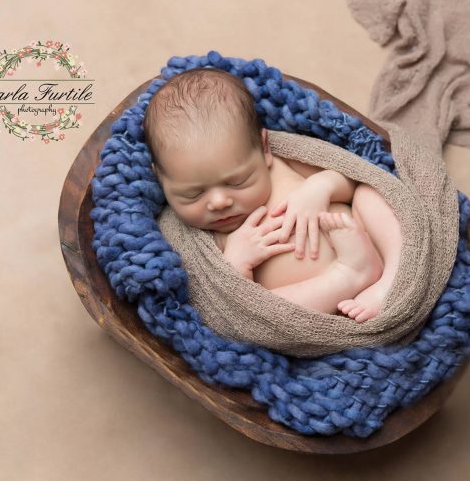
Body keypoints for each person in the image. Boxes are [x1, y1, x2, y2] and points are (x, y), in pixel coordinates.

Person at [144, 68, 402, 323]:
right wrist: (236, 263)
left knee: (370, 192)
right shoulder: (196, 238)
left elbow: (352, 180)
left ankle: (391, 278)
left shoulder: (282, 165)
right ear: (161, 178)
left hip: (368, 241)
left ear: (264, 149)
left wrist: (320, 187)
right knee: (258, 312)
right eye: (193, 194)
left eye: (238, 182)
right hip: (320, 304)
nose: (219, 202)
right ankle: (349, 276)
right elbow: (225, 305)